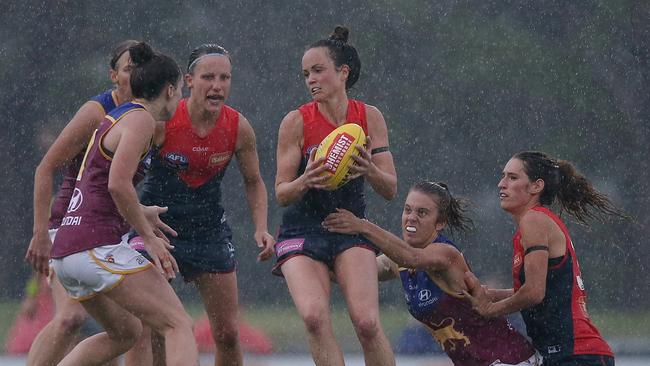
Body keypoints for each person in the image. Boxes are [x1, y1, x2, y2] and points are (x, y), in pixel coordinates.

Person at [49, 42, 199, 366]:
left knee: (126, 333)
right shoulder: (142, 120)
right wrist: (146, 236)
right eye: (181, 93)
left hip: (66, 251)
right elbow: (117, 183)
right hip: (93, 246)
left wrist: (139, 212)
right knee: (179, 325)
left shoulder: (118, 115)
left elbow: (98, 185)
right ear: (170, 90)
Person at [131, 43, 274, 366]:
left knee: (227, 333)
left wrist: (261, 228)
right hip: (157, 231)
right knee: (151, 326)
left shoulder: (239, 128)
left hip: (208, 231)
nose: (217, 85)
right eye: (208, 77)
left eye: (225, 78)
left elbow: (254, 182)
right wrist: (135, 218)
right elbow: (122, 177)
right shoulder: (162, 121)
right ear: (189, 81)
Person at [274, 26, 397, 366]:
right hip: (301, 231)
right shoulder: (295, 121)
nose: (310, 80)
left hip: (349, 226)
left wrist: (369, 169)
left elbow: (389, 189)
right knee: (314, 317)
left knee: (368, 324)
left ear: (343, 73)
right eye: (305, 74)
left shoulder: (369, 117)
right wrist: (305, 180)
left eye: (318, 71)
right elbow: (282, 194)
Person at [323, 181, 541, 366]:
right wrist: (301, 256)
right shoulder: (396, 261)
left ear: (440, 223)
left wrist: (362, 226)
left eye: (422, 212)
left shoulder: (446, 254)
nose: (411, 217)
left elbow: (412, 257)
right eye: (407, 210)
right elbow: (352, 274)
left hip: (512, 359)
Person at [24, 39, 147, 366]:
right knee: (70, 320)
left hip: (111, 233)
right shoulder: (97, 111)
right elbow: (45, 168)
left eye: (141, 69)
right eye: (127, 69)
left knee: (131, 329)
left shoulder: (148, 116)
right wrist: (40, 234)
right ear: (113, 75)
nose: (134, 76)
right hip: (68, 226)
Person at [463, 151, 619, 366]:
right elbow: (548, 291)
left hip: (576, 354)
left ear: (537, 186)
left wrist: (491, 310)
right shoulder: (533, 223)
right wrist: (492, 294)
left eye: (512, 177)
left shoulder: (534, 220)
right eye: (503, 176)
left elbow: (535, 293)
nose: (501, 184)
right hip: (569, 354)